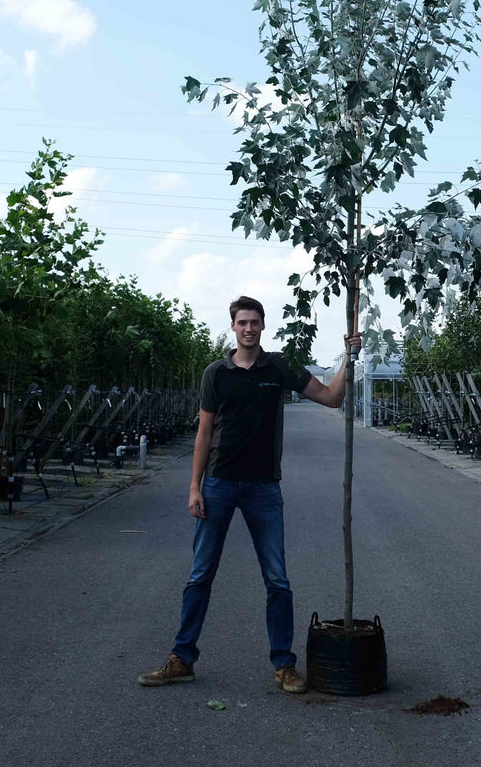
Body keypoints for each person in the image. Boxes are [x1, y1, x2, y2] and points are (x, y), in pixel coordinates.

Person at [138, 295, 359, 693]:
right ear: (233, 327)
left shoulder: (277, 367)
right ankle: (181, 658)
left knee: (277, 579)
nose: (249, 328)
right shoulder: (216, 374)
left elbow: (332, 397)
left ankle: (284, 665)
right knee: (200, 575)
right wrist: (194, 487)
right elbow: (204, 433)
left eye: (255, 322)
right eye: (242, 322)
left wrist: (348, 356)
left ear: (263, 326)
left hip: (263, 487)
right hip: (219, 484)